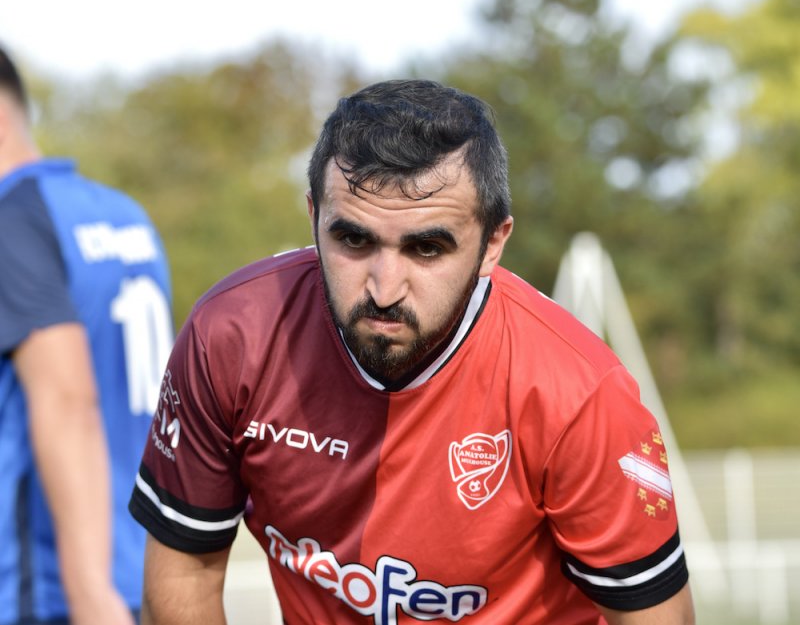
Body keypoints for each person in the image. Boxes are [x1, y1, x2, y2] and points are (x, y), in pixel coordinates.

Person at [129, 79, 695, 624]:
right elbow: (183, 576)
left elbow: (654, 617)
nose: (383, 286)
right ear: (312, 217)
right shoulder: (232, 337)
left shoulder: (578, 391)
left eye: (426, 247)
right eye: (354, 239)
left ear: (493, 243)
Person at [0, 45, 173, 624]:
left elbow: (68, 398)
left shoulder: (10, 221)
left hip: (52, 587)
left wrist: (87, 591)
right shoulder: (121, 213)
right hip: (142, 559)